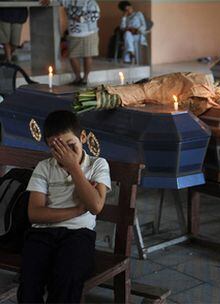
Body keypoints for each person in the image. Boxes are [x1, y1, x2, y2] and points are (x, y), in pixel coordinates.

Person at [17, 110, 111, 303]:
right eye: (56, 149)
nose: (65, 155)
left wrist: (74, 167)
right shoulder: (45, 167)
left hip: (79, 234)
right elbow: (34, 214)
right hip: (42, 234)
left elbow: (95, 206)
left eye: (70, 146)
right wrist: (76, 210)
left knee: (67, 278)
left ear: (82, 137)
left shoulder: (97, 165)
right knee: (29, 281)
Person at [40, 0, 100, 85]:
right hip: (73, 33)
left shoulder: (90, 2)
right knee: (73, 56)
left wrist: (81, 18)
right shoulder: (67, 1)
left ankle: (85, 78)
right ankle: (78, 78)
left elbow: (96, 15)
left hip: (89, 32)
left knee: (88, 55)